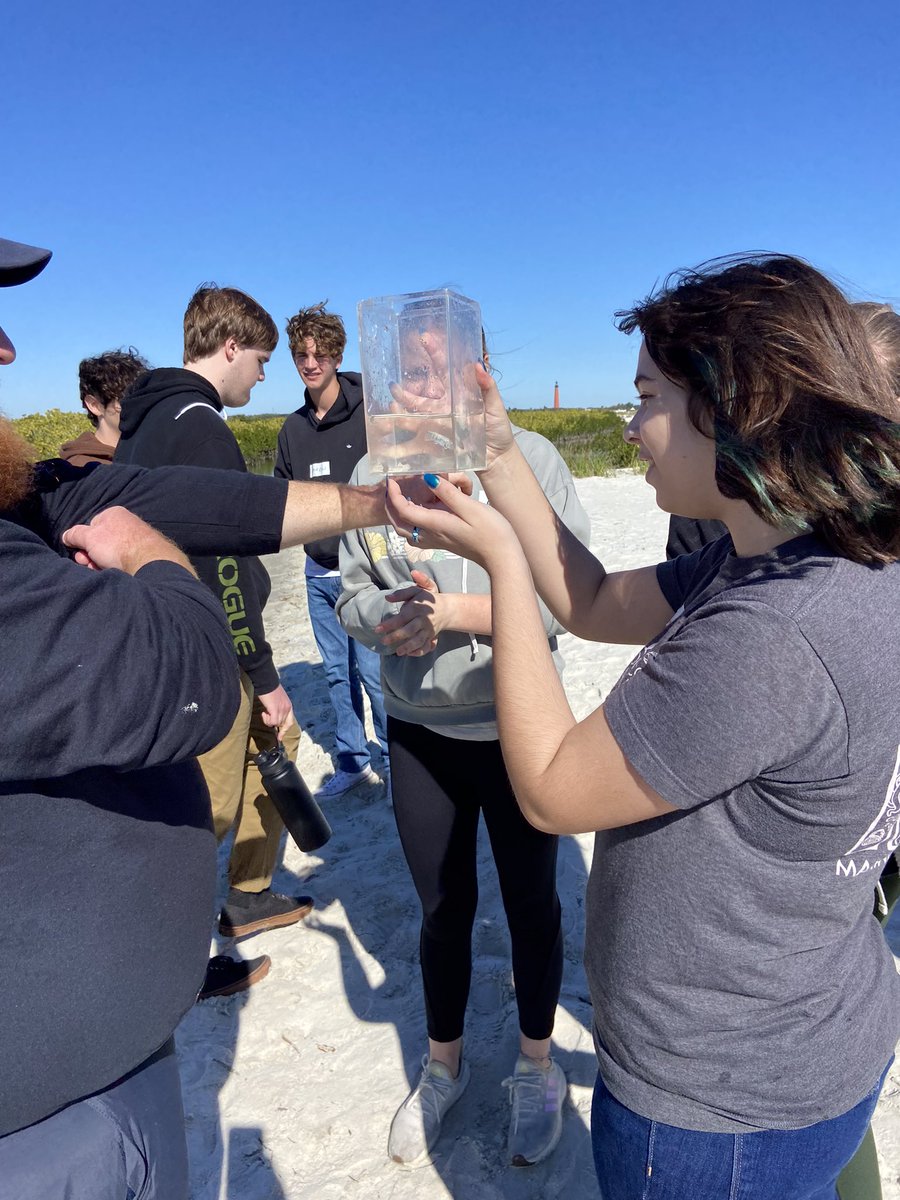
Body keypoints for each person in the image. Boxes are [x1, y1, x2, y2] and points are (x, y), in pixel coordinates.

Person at [385, 255, 900, 1200]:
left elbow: (546, 787)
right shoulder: (793, 556)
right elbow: (587, 600)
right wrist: (498, 449)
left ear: (739, 407)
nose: (630, 430)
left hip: (718, 1105)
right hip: (803, 1037)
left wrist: (497, 564)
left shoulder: (774, 634)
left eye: (649, 397)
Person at [0, 233, 453, 1199]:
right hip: (53, 1118)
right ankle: (239, 901)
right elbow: (190, 660)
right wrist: (155, 566)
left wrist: (376, 500)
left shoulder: (61, 476)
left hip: (93, 1055)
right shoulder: (200, 423)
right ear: (245, 349)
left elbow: (186, 499)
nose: (5, 349)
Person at [337, 331, 591, 1169]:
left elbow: (565, 604)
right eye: (410, 366)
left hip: (519, 731)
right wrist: (389, 621)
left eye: (443, 364)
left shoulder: (535, 461)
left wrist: (456, 618)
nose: (425, 381)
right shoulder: (374, 472)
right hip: (420, 730)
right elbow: (349, 597)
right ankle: (443, 1066)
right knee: (442, 908)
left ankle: (536, 1065)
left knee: (532, 905)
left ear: (481, 369)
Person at [116, 285, 310, 999]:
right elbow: (223, 563)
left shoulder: (146, 420)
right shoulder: (201, 426)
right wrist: (261, 672)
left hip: (162, 630)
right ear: (229, 347)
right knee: (210, 801)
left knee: (276, 750)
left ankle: (250, 892)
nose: (264, 376)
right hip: (209, 646)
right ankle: (172, 962)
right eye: (260, 360)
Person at [275, 302, 388, 799]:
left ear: (337, 354)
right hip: (318, 572)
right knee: (337, 675)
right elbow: (282, 498)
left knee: (374, 673)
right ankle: (352, 761)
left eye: (320, 353)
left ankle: (395, 761)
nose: (310, 362)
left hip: (368, 570)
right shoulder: (292, 430)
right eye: (301, 354)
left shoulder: (372, 413)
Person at [59, 347, 150, 465]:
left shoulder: (152, 458)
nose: (140, 407)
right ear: (94, 405)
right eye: (126, 400)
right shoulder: (80, 471)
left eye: (144, 399)